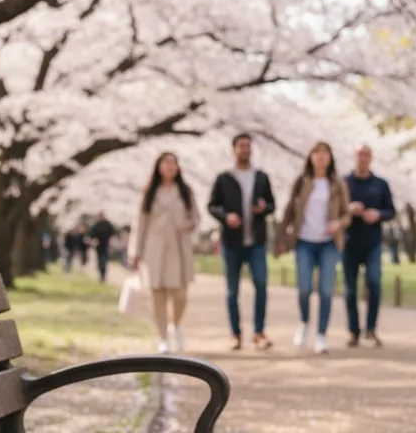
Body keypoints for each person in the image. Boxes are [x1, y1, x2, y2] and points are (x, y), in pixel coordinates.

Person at [279, 142, 351, 354]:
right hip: (304, 242)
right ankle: (304, 322)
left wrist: (338, 223)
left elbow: (347, 214)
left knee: (326, 291)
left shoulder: (338, 184)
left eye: (324, 153)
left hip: (329, 243)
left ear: (330, 158)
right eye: (316, 153)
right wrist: (282, 237)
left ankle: (321, 335)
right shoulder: (301, 182)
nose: (320, 157)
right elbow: (289, 211)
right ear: (310, 157)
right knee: (304, 288)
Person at [208, 133, 276, 350]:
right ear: (234, 149)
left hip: (256, 241)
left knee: (262, 285)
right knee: (232, 290)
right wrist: (225, 217)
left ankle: (259, 332)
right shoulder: (224, 178)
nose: (245, 150)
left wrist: (263, 208)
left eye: (248, 146)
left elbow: (272, 204)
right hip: (231, 241)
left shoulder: (261, 177)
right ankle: (235, 334)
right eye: (241, 146)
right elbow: (212, 205)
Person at [128, 152, 197, 353]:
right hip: (154, 247)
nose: (169, 167)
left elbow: (196, 218)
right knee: (157, 293)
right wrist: (135, 251)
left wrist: (187, 224)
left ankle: (175, 324)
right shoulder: (149, 192)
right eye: (166, 163)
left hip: (178, 246)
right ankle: (163, 338)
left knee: (180, 294)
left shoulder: (185, 191)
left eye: (173, 163)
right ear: (158, 167)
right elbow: (139, 223)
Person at [343, 145, 397, 347]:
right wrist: (348, 210)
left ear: (371, 158)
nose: (363, 158)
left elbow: (391, 210)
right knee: (350, 290)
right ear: (354, 157)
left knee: (374, 284)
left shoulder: (381, 184)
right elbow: (334, 209)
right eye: (359, 154)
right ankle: (354, 331)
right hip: (349, 243)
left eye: (366, 155)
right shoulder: (344, 182)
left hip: (373, 243)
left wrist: (378, 214)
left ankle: (371, 329)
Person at [89, 212, 117, 282]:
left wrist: (111, 241)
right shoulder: (96, 224)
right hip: (98, 246)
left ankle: (103, 275)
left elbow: (113, 233)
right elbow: (91, 234)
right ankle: (101, 275)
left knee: (104, 260)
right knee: (99, 261)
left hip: (106, 245)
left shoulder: (108, 224)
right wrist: (93, 240)